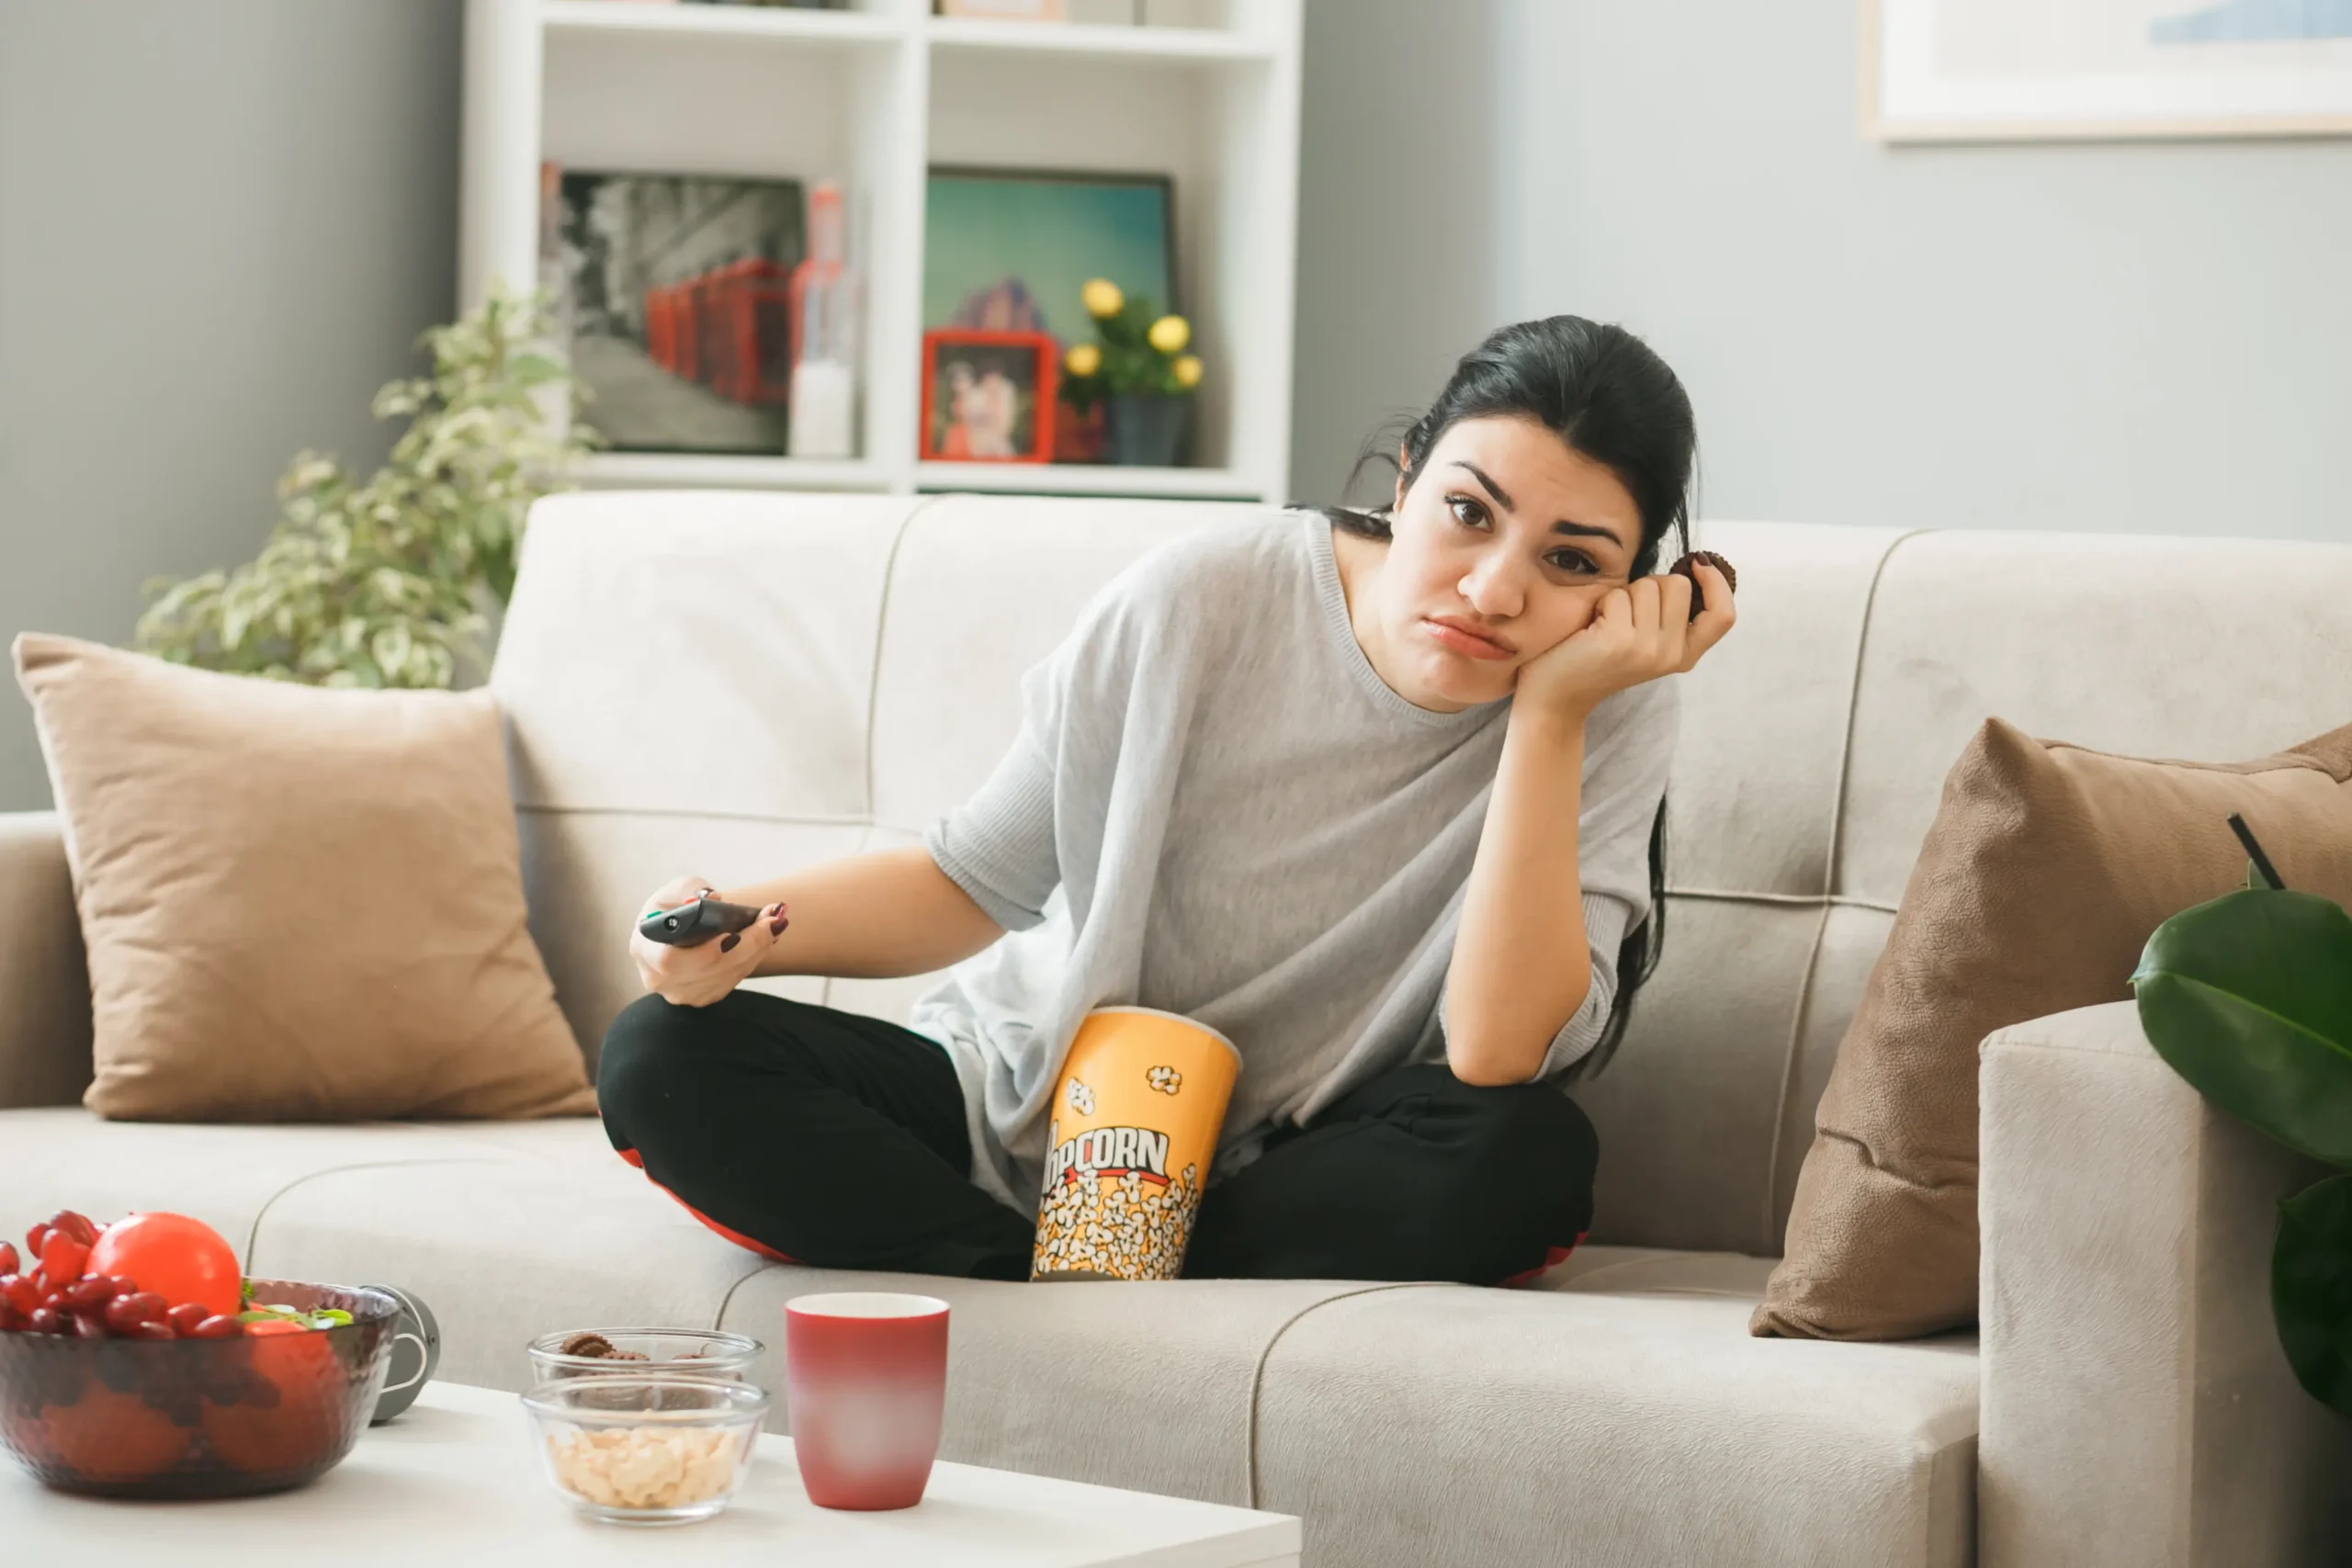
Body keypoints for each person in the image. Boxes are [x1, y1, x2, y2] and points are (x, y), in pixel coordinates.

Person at [597, 316, 1736, 1285]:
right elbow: (967, 882)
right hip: (1015, 1110)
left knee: (1525, 1156)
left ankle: (1096, 1273)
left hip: (1277, 1169)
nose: (1492, 590)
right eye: (1469, 513)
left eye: (1571, 562)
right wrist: (736, 929)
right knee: (662, 1058)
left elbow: (1494, 1052)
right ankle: (1044, 1281)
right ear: (1404, 482)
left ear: (1625, 592)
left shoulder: (1604, 703)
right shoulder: (1208, 594)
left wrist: (1551, 716)